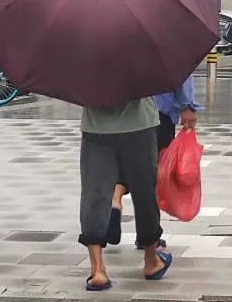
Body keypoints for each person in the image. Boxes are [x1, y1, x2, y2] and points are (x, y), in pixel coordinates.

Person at [78, 97, 173, 291]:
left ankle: (97, 270)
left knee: (94, 192)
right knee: (144, 191)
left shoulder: (84, 64)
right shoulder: (140, 63)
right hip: (139, 122)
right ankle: (151, 260)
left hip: (96, 124)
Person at [108, 75, 200, 248]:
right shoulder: (166, 46)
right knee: (149, 174)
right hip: (157, 112)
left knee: (128, 161)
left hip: (124, 109)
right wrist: (187, 104)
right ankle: (148, 237)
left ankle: (115, 199)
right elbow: (179, 71)